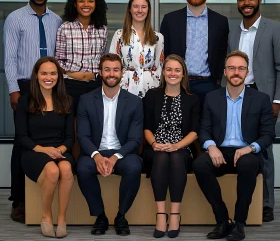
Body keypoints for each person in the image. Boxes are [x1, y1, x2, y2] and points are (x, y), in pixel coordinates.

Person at [193, 50, 275, 241]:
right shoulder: (212, 98)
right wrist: (211, 146)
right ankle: (222, 220)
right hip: (220, 152)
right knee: (199, 165)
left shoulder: (261, 99)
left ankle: (239, 223)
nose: (236, 72)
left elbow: (268, 134)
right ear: (225, 72)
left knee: (248, 164)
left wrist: (251, 147)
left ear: (247, 72)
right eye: (231, 68)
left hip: (246, 152)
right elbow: (203, 129)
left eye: (240, 68)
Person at [4, 0, 62, 223]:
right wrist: (13, 89)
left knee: (48, 138)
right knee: (22, 143)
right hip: (26, 86)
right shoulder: (15, 18)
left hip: (50, 85)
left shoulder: (57, 21)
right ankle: (19, 200)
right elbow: (9, 58)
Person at [228, 0, 280, 222]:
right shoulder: (233, 30)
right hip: (237, 93)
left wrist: (276, 100)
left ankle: (267, 203)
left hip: (263, 95)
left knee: (264, 150)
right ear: (237, 2)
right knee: (239, 145)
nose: (246, 3)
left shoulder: (273, 28)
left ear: (259, 0)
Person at [76, 53, 143, 236]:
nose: (111, 73)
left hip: (121, 153)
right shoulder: (86, 100)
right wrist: (97, 156)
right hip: (95, 151)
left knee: (135, 166)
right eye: (107, 69)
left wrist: (114, 157)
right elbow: (83, 136)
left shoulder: (134, 102)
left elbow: (134, 139)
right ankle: (100, 216)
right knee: (83, 167)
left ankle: (121, 216)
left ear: (122, 73)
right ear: (100, 72)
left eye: (115, 69)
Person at [15, 57, 75, 238]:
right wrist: (44, 149)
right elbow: (21, 137)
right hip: (34, 152)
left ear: (59, 76)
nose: (48, 77)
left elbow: (70, 138)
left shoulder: (67, 100)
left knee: (65, 167)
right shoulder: (25, 101)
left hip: (60, 151)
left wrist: (60, 151)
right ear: (36, 75)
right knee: (52, 170)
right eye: (44, 73)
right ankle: (46, 215)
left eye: (53, 73)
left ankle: (62, 218)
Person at [142, 54, 200, 238]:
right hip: (155, 148)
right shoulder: (152, 95)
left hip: (183, 148)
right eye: (169, 69)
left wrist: (176, 146)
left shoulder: (192, 99)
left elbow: (194, 131)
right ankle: (161, 214)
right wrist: (155, 144)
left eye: (177, 70)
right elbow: (147, 128)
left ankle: (175, 214)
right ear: (163, 72)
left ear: (183, 74)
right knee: (160, 157)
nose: (172, 73)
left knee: (175, 157)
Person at [160, 0, 229, 104]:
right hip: (178, 85)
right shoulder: (170, 20)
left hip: (209, 86)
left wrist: (217, 81)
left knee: (207, 125)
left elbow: (222, 53)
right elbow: (164, 53)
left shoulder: (220, 22)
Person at [55, 0, 108, 113]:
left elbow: (100, 58)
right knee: (72, 125)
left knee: (93, 123)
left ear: (96, 4)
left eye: (90, 1)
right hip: (70, 85)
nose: (86, 5)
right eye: (81, 1)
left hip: (94, 86)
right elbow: (59, 60)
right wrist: (68, 74)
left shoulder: (102, 29)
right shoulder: (65, 28)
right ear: (74, 4)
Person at [109, 0, 164, 98]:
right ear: (130, 9)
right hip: (125, 89)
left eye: (143, 7)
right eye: (136, 6)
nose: (140, 10)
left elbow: (160, 68)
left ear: (148, 10)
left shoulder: (158, 37)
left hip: (151, 90)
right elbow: (113, 65)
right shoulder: (119, 35)